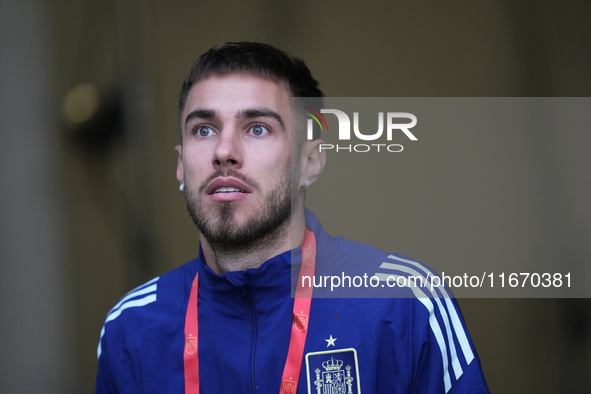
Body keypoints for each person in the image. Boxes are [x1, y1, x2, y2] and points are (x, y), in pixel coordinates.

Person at [96, 42, 489, 394]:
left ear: (311, 160)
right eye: (204, 129)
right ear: (181, 166)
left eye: (258, 128)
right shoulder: (130, 328)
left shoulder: (402, 303)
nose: (224, 151)